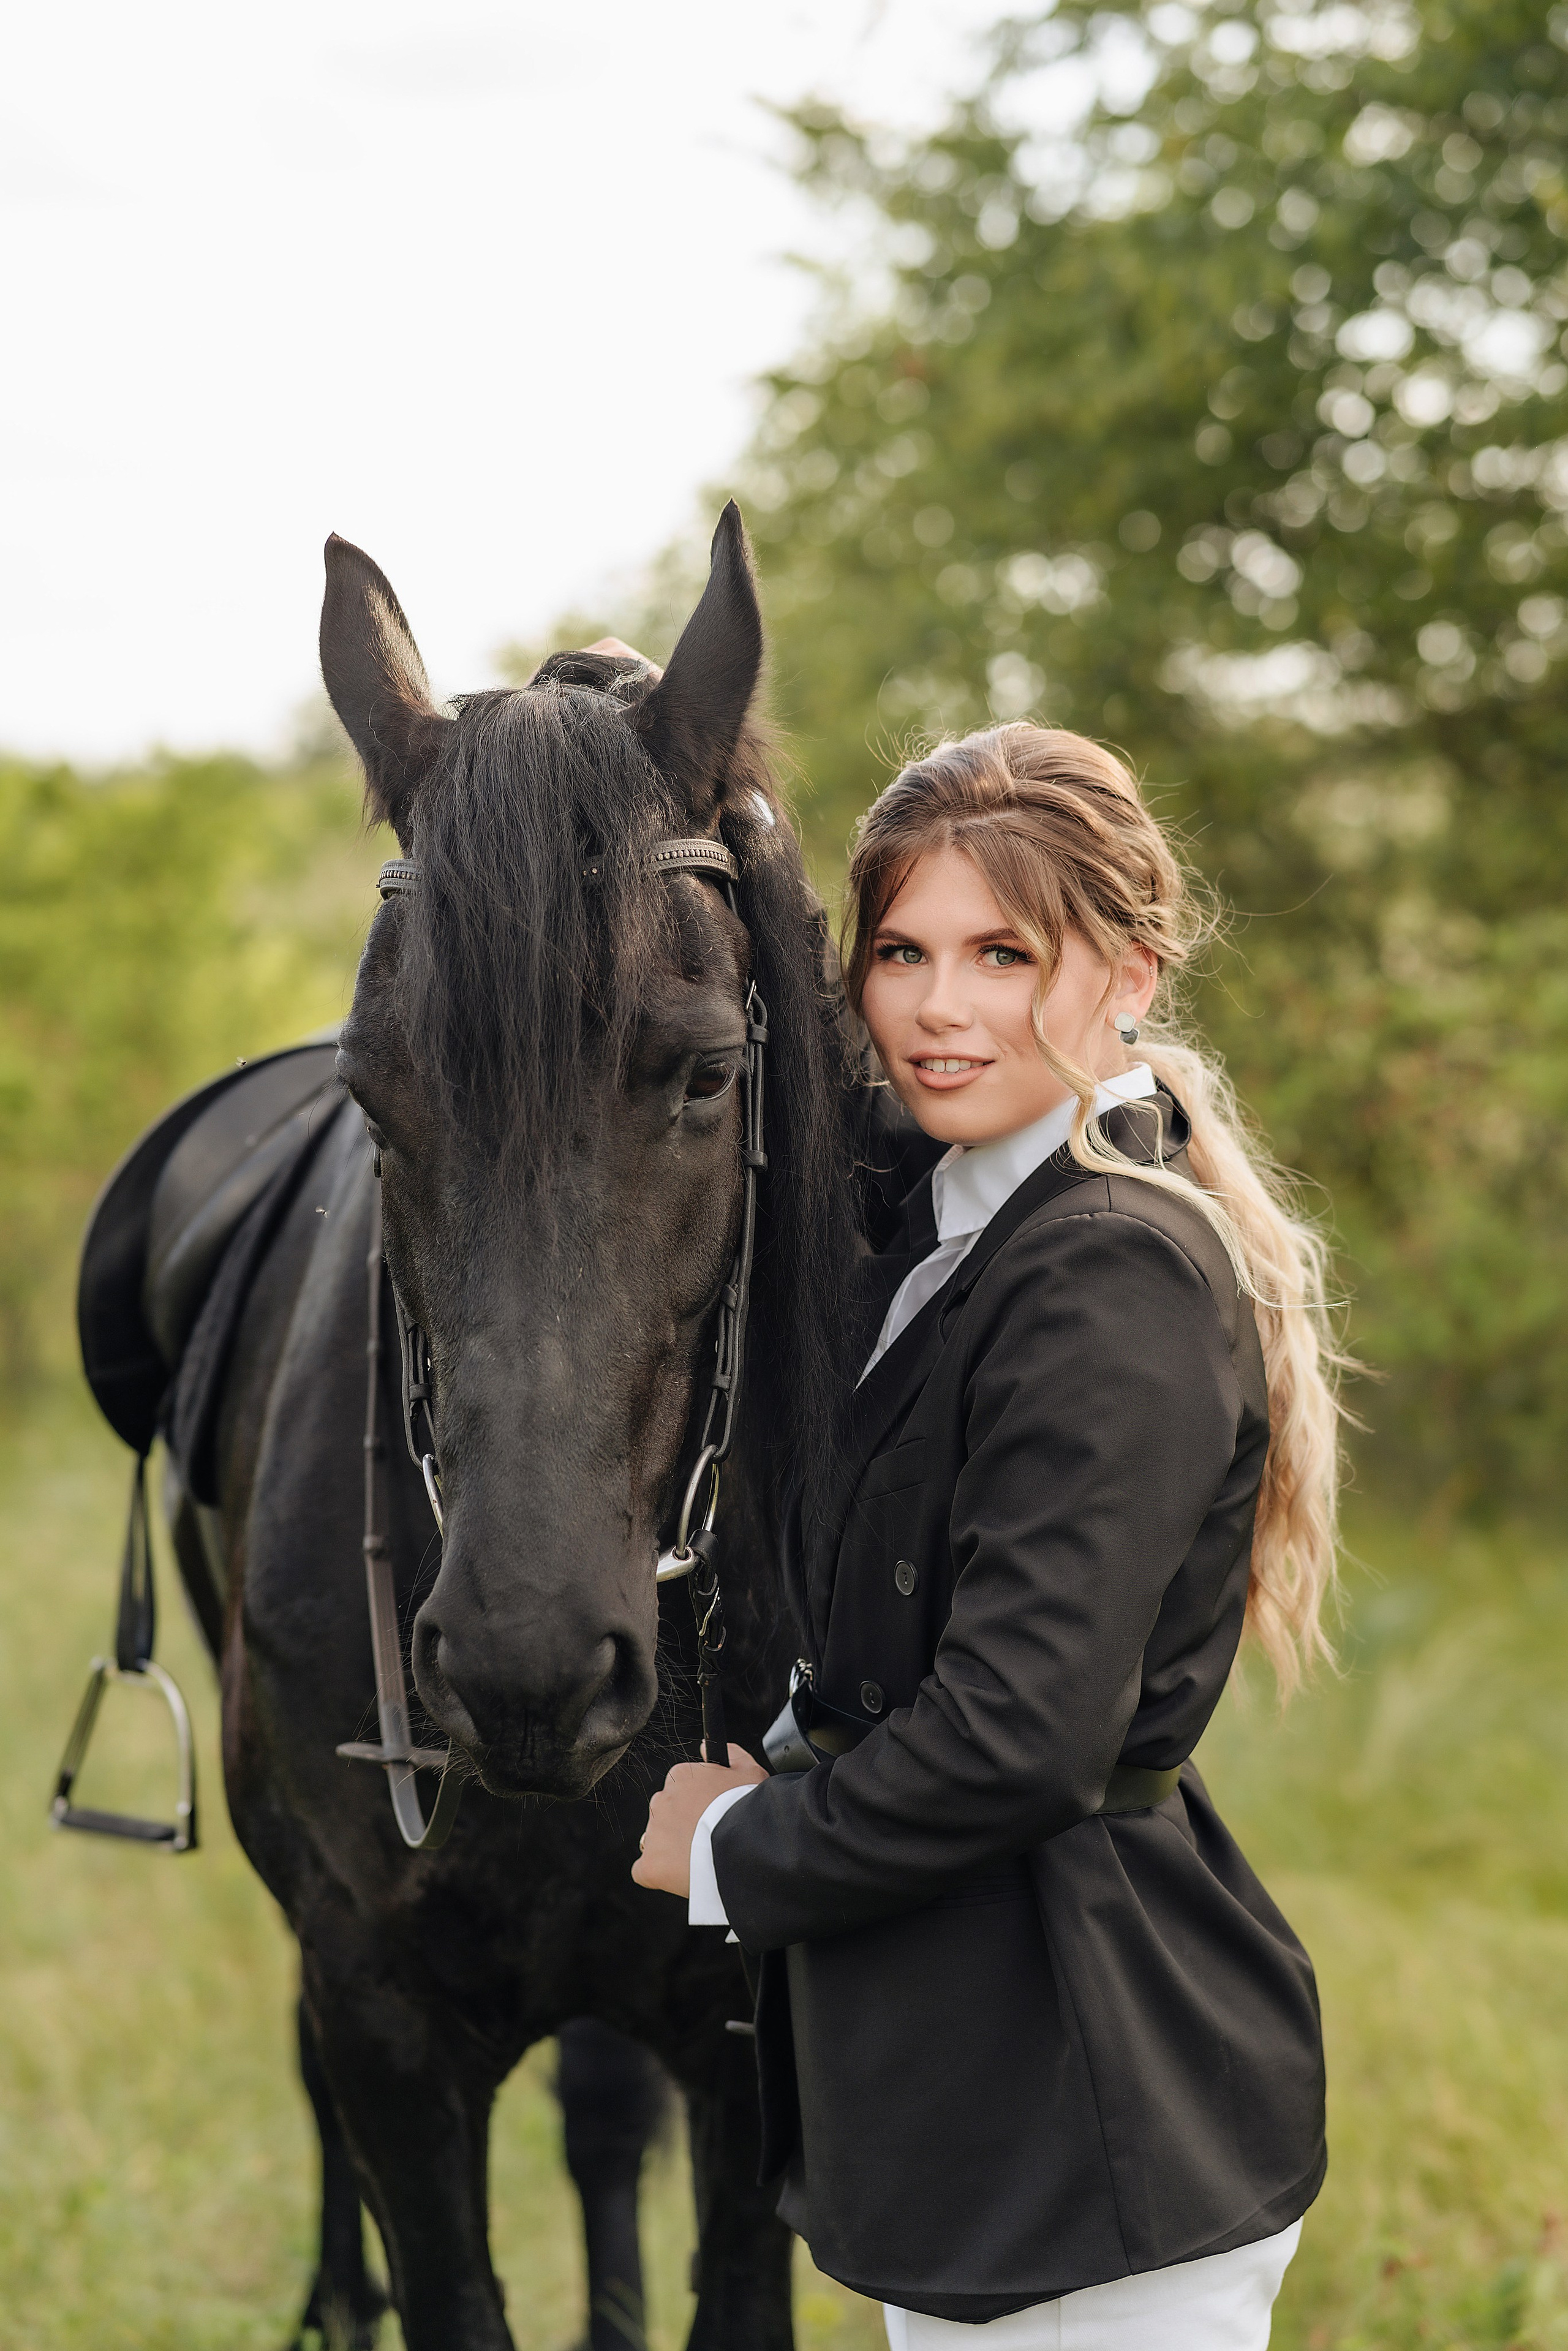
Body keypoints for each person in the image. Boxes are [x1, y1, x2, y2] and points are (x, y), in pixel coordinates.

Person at [635, 724, 1343, 2348]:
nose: (941, 1009)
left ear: (1130, 976)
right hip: (980, 2089)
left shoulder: (1109, 1273)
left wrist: (742, 1851)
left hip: (1087, 2103)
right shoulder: (961, 1215)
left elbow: (1022, 1730)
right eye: (903, 952)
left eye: (1004, 953)